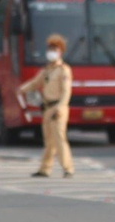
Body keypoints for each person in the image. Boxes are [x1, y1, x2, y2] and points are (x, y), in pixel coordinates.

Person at [19, 33, 74, 178]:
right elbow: (35, 83)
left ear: (60, 52)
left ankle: (67, 168)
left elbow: (66, 92)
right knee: (49, 141)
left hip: (58, 107)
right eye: (50, 49)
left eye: (54, 50)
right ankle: (45, 169)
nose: (51, 53)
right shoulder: (46, 70)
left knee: (59, 138)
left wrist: (60, 108)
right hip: (47, 107)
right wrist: (22, 89)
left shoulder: (63, 70)